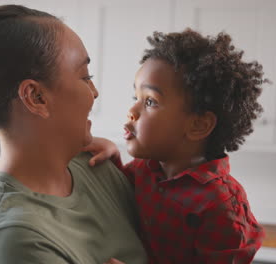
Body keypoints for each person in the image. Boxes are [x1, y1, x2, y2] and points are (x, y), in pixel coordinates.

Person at [0, 5, 147, 264]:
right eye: (85, 77)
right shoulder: (14, 243)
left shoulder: (95, 165)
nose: (94, 92)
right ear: (36, 97)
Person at [86, 29, 266, 263]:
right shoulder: (142, 170)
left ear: (198, 125)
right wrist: (113, 159)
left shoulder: (222, 207)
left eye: (150, 101)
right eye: (135, 98)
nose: (132, 111)